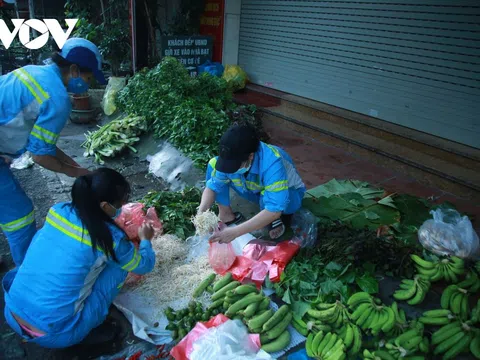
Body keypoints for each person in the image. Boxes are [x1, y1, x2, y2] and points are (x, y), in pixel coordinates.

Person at [2, 168, 156, 348]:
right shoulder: (110, 239)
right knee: (119, 264)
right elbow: (144, 266)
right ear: (105, 206)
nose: (121, 208)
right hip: (55, 334)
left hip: (11, 310)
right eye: (120, 204)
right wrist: (145, 240)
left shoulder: (58, 211)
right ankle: (87, 327)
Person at [0, 38, 106, 266]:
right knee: (19, 216)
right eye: (88, 78)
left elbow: (43, 145)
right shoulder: (57, 98)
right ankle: (27, 276)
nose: (87, 85)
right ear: (74, 70)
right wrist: (76, 173)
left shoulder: (35, 72)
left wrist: (76, 168)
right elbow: (40, 156)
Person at [198, 124, 306, 243]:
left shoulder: (272, 163)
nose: (230, 168)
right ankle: (226, 214)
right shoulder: (232, 155)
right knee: (213, 165)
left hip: (289, 194)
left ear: (250, 156)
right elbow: (213, 186)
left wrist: (235, 232)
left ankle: (274, 219)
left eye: (235, 164)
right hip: (253, 190)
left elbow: (274, 209)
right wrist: (201, 214)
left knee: (277, 208)